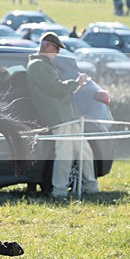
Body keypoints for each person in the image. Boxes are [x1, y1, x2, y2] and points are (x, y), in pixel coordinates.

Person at [26, 32, 98, 199]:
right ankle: (59, 190)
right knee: (64, 155)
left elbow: (59, 89)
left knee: (85, 152)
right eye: (56, 48)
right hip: (58, 118)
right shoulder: (37, 65)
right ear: (46, 46)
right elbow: (57, 89)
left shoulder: (43, 65)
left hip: (66, 115)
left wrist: (75, 85)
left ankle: (92, 187)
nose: (58, 52)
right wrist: (76, 83)